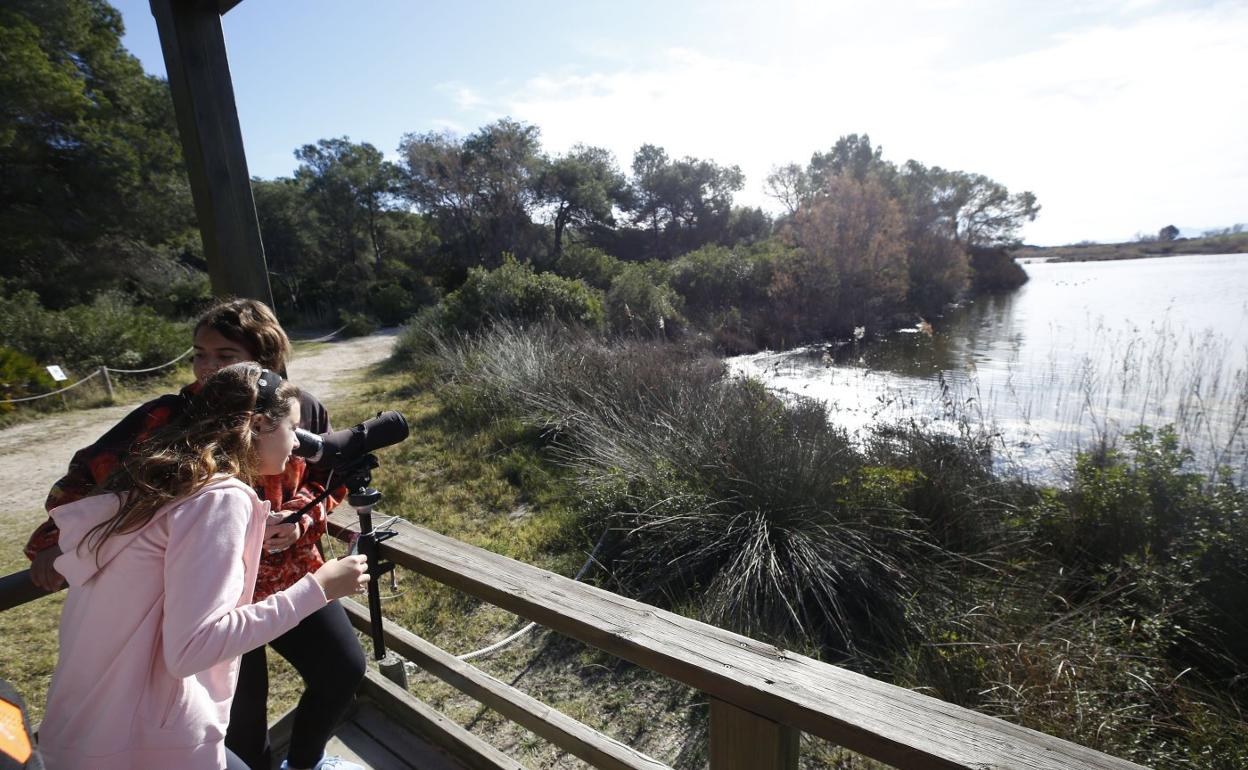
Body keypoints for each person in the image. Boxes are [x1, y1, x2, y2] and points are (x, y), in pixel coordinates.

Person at [24, 299, 366, 770]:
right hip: (203, 600)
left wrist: (298, 519)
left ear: (264, 361)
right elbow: (93, 486)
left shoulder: (296, 409)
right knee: (239, 724)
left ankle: (305, 763)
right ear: (256, 427)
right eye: (200, 354)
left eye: (224, 357)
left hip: (280, 578)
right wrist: (53, 543)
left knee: (342, 668)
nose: (207, 367)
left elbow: (326, 475)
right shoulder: (175, 434)